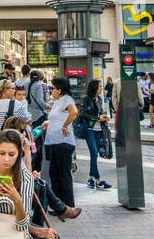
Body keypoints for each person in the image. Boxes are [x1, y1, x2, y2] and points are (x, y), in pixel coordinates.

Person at [42, 76, 78, 208]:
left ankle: (68, 205)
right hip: (54, 143)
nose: (51, 90)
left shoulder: (67, 100)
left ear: (59, 90)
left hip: (63, 143)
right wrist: (48, 123)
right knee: (54, 174)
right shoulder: (58, 101)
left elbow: (74, 112)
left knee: (63, 175)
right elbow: (56, 118)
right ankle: (58, 206)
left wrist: (65, 126)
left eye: (52, 88)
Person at [77, 79, 111, 191]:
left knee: (94, 154)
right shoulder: (86, 99)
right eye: (100, 86)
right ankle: (98, 180)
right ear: (94, 87)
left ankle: (91, 179)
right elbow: (83, 114)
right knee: (94, 154)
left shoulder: (100, 99)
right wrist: (97, 118)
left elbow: (100, 112)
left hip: (98, 129)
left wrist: (104, 117)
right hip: (89, 129)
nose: (102, 88)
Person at [24, 69, 50, 172]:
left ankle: (30, 162)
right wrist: (48, 106)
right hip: (39, 115)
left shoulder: (27, 84)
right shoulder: (40, 85)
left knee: (32, 139)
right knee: (39, 142)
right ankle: (36, 167)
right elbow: (40, 100)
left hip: (29, 115)